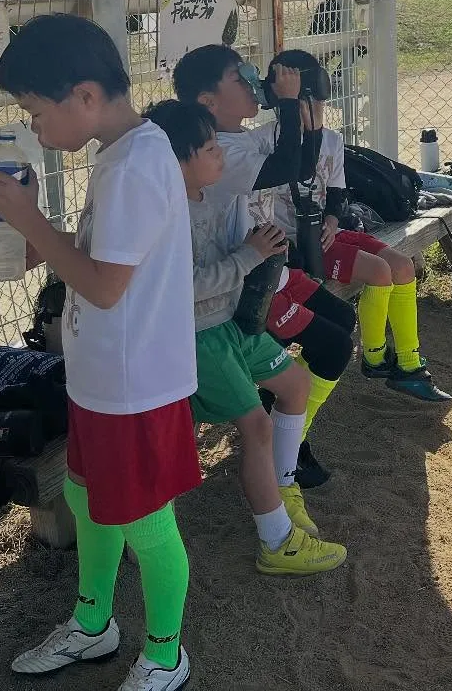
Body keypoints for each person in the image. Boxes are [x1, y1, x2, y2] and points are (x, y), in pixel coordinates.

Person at [0, 13, 197, 691]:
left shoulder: (132, 166)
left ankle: (165, 654)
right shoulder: (125, 153)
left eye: (36, 112)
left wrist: (29, 220)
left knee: (142, 519)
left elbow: (105, 287)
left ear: (84, 96)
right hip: (104, 376)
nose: (37, 129)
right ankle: (93, 622)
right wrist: (34, 227)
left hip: (135, 385)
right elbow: (100, 267)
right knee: (86, 493)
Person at [141, 99, 347, 577]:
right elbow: (181, 289)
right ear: (177, 160)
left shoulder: (206, 194)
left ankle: (283, 484)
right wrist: (248, 258)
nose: (220, 156)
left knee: (294, 384)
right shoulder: (167, 214)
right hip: (199, 335)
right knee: (254, 426)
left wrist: (255, 249)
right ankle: (275, 540)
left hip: (229, 325)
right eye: (210, 148)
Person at [172, 45, 354, 489]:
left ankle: (288, 434)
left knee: (342, 322)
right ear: (208, 103)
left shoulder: (234, 138)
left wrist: (303, 112)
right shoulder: (217, 152)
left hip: (261, 270)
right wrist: (289, 104)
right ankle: (290, 445)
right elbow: (286, 166)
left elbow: (303, 162)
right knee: (329, 346)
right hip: (235, 285)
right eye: (240, 78)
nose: (253, 81)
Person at [269, 49, 449, 402]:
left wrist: (333, 221)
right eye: (308, 106)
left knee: (402, 266)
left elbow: (336, 197)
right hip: (297, 246)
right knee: (381, 272)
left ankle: (410, 364)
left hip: (326, 233)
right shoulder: (271, 144)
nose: (316, 115)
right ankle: (375, 358)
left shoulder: (331, 141)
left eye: (321, 105)